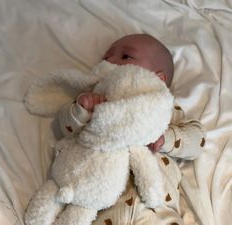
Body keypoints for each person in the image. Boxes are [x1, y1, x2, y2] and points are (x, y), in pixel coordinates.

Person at [58, 34, 206, 225]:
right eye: (106, 58)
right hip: (105, 209)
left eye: (126, 56)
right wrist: (81, 109)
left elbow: (198, 140)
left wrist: (165, 138)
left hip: (159, 211)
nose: (110, 61)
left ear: (158, 79)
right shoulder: (98, 101)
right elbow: (68, 129)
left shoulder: (164, 107)